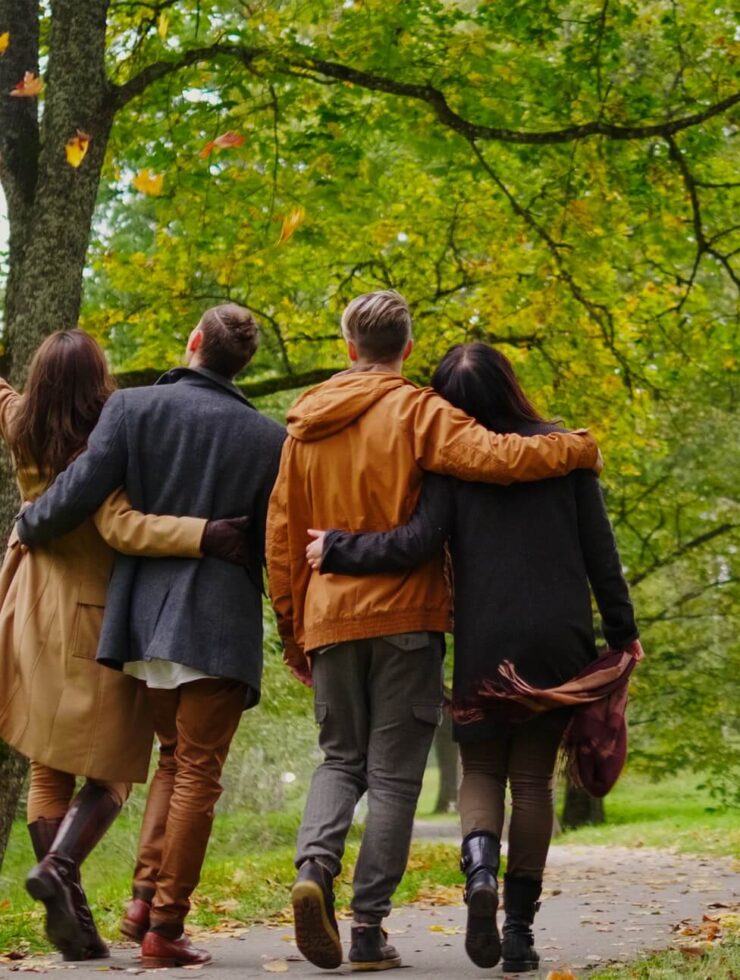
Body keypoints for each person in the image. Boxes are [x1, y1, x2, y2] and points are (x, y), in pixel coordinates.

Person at [266, 291, 602, 972]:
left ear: (348, 347)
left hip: (328, 614)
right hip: (406, 618)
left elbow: (280, 536)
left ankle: (314, 869)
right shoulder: (420, 411)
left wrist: (292, 627)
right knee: (393, 780)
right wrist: (574, 448)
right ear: (408, 349)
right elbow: (502, 457)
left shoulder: (301, 428)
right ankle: (365, 931)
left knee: (339, 760)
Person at [15, 306, 286, 969]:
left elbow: (79, 489)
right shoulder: (272, 437)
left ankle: (136, 902)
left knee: (162, 759)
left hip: (136, 624)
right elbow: (274, 541)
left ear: (194, 342)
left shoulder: (133, 409)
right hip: (217, 624)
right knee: (195, 771)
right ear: (243, 363)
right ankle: (164, 925)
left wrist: (30, 522)